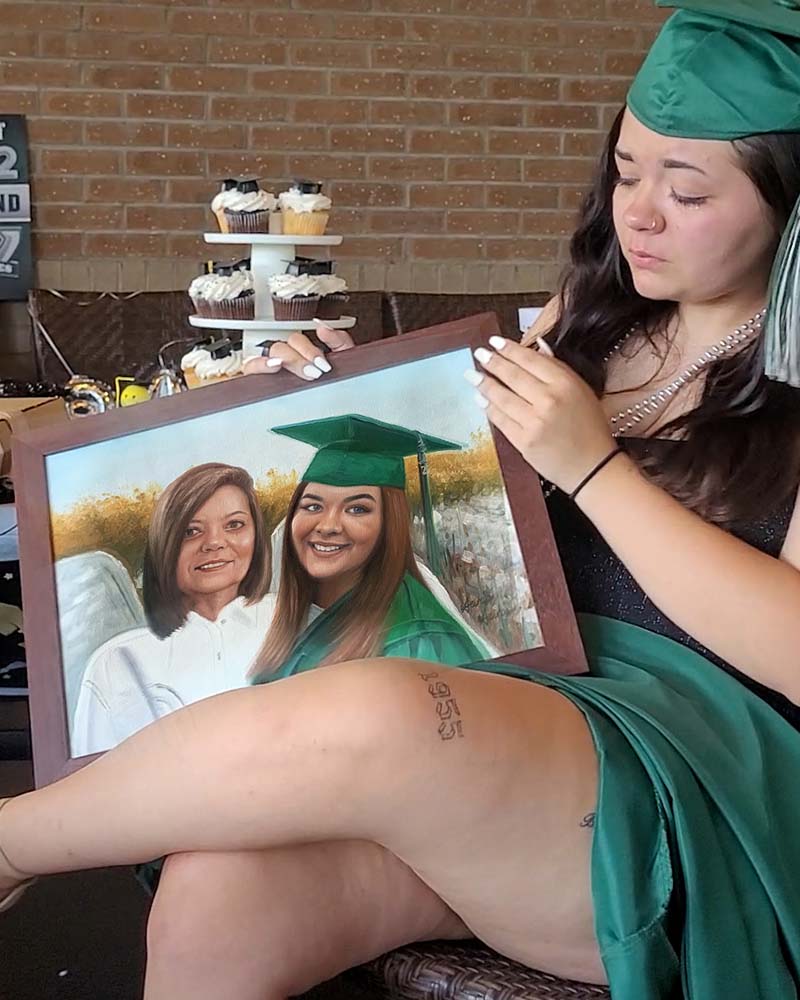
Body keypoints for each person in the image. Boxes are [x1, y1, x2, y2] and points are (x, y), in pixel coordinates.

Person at [2, 4, 800, 997]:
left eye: (684, 190)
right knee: (222, 884)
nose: (637, 213)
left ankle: (10, 846)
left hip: (680, 785)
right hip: (490, 753)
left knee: (386, 705)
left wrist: (594, 469)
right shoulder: (580, 323)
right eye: (626, 173)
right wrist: (336, 387)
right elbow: (447, 507)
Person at [250, 414, 494, 682]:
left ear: (389, 524)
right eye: (313, 506)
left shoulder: (417, 641)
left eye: (357, 509)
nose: (328, 525)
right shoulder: (293, 615)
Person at [71, 463, 274, 756]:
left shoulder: (295, 620)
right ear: (164, 543)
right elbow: (91, 786)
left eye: (234, 525)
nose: (215, 543)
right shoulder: (116, 663)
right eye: (191, 531)